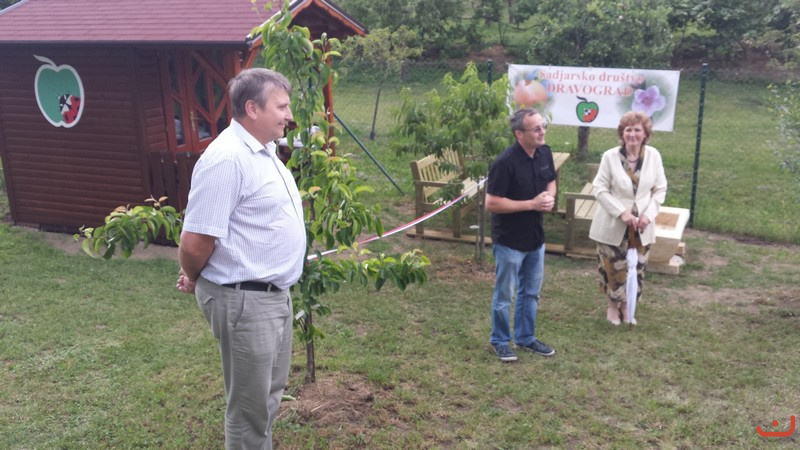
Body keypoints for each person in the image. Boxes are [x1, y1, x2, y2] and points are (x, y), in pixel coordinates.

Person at [175, 68, 305, 449]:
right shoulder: (227, 159)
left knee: (266, 399)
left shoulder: (263, 150)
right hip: (246, 302)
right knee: (249, 410)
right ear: (252, 109)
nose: (289, 115)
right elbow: (195, 241)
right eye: (281, 106)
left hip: (271, 297)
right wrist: (194, 275)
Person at [486, 107, 557, 362]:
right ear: (519, 134)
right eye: (536, 129)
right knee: (505, 295)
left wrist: (549, 197)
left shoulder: (544, 152)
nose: (542, 132)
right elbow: (492, 203)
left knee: (531, 293)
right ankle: (500, 341)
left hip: (535, 238)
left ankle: (526, 338)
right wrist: (531, 204)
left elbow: (551, 180)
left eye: (543, 126)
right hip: (510, 241)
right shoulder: (504, 163)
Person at [589, 111, 667, 325]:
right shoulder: (610, 156)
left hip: (641, 226)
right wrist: (622, 213)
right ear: (622, 133)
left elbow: (660, 189)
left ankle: (627, 305)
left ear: (645, 134)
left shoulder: (654, 156)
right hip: (612, 224)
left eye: (637, 130)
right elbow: (600, 189)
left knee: (637, 267)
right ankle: (612, 306)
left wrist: (648, 216)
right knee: (613, 268)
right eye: (628, 130)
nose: (632, 134)